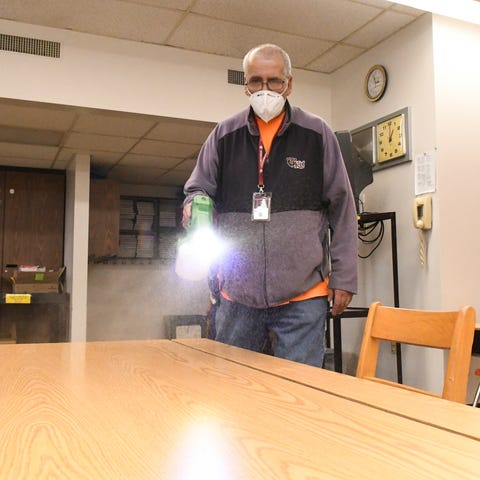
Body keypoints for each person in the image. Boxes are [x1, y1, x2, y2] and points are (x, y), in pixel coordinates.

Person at [182, 43, 358, 367]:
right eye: (255, 81)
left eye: (274, 81)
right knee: (234, 388)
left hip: (302, 296)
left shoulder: (317, 134)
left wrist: (344, 277)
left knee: (299, 393)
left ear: (289, 83)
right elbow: (197, 188)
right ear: (245, 85)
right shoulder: (223, 135)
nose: (265, 90)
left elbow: (343, 207)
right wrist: (195, 203)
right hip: (237, 295)